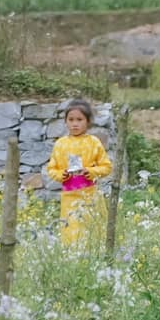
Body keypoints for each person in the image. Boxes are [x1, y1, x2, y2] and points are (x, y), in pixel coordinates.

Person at [46, 99, 113, 246]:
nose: (75, 124)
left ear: (88, 122)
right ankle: (72, 258)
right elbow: (52, 169)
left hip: (90, 195)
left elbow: (106, 167)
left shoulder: (93, 142)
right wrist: (61, 175)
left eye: (79, 120)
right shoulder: (60, 144)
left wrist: (90, 171)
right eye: (71, 120)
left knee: (92, 231)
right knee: (71, 231)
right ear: (65, 122)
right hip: (69, 196)